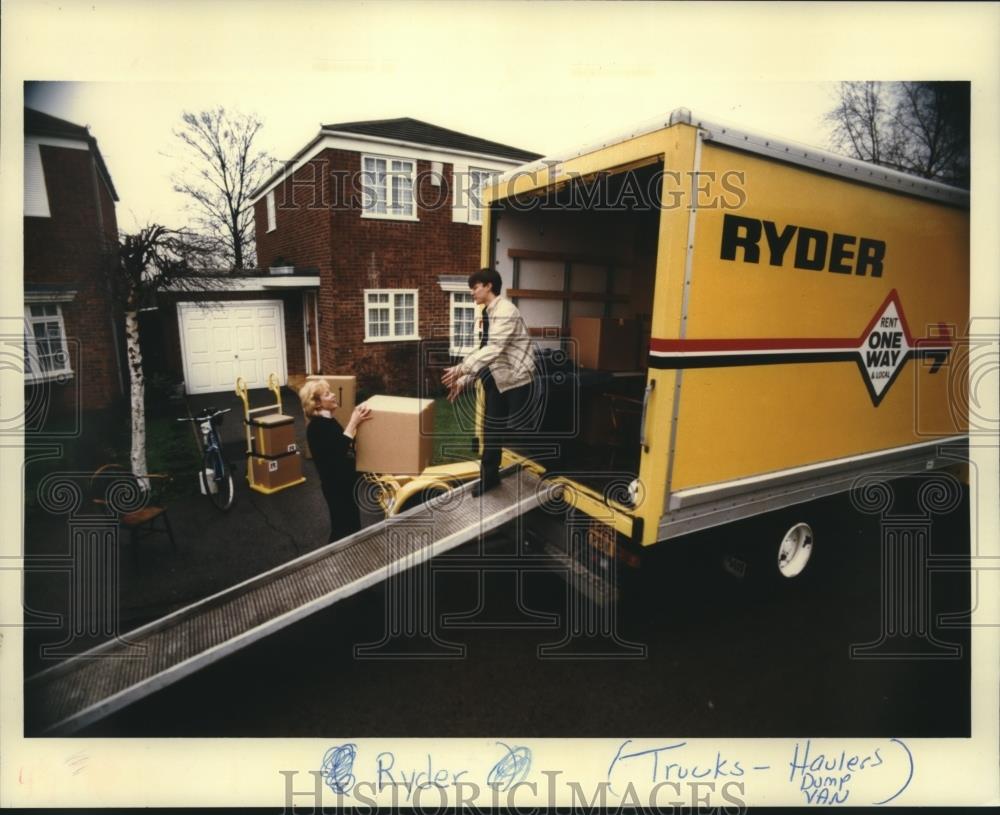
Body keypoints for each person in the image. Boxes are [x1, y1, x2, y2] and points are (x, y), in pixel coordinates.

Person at [442, 268, 536, 495]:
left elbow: (495, 348)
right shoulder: (488, 313)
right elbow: (486, 349)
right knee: (491, 430)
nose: (472, 293)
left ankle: (554, 465)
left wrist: (462, 367)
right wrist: (465, 380)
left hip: (518, 380)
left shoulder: (506, 311)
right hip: (498, 377)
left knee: (523, 433)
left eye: (475, 288)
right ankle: (489, 479)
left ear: (488, 286)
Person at [299, 379, 372, 541]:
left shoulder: (328, 421)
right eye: (327, 394)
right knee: (342, 529)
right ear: (317, 404)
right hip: (335, 487)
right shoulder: (317, 427)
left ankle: (350, 558)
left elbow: (341, 444)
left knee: (351, 525)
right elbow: (339, 449)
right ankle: (335, 561)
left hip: (344, 483)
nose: (333, 395)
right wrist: (353, 421)